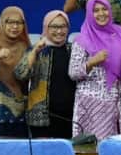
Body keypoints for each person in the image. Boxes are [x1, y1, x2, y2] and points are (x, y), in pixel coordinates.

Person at [69, 0, 121, 139]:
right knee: (94, 148)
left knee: (118, 147)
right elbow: (73, 73)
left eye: (104, 9)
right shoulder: (82, 40)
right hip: (92, 105)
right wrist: (91, 62)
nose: (101, 13)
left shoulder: (120, 34)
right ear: (89, 14)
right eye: (95, 10)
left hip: (119, 102)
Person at [13, 10, 76, 138]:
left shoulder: (74, 50)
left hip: (71, 117)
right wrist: (35, 51)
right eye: (54, 27)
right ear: (46, 27)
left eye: (63, 26)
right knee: (43, 151)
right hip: (41, 118)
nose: (59, 31)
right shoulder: (37, 49)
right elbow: (20, 75)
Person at [0, 7, 30, 136]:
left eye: (19, 23)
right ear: (2, 23)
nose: (15, 27)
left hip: (18, 117)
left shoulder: (27, 48)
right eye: (10, 22)